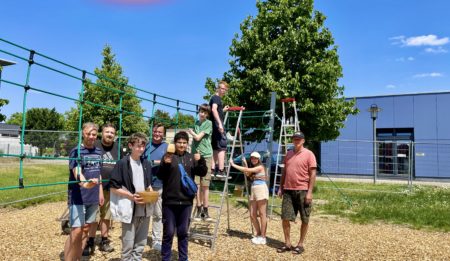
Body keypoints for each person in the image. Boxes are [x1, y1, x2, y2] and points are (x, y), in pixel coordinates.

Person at [157, 131, 207, 261]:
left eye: (184, 143)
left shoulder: (191, 157)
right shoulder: (168, 156)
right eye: (179, 142)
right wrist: (165, 164)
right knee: (168, 233)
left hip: (186, 202)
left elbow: (202, 172)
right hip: (169, 201)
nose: (182, 145)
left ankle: (183, 258)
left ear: (187, 144)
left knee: (183, 232)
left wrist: (201, 160)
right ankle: (166, 258)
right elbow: (160, 176)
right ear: (175, 143)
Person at [110, 132, 154, 260]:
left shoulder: (146, 164)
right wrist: (131, 196)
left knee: (141, 240)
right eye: (138, 146)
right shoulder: (122, 163)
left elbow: (148, 184)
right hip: (130, 206)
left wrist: (151, 193)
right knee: (128, 240)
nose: (141, 149)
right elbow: (113, 187)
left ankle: (137, 258)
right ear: (130, 145)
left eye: (143, 146)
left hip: (144, 206)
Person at [64, 122, 103, 260]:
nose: (91, 137)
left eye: (94, 134)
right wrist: (86, 184)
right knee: (76, 231)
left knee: (86, 229)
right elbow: (77, 174)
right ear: (83, 134)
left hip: (93, 196)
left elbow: (99, 173)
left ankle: (78, 257)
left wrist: (100, 192)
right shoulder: (76, 151)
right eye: (88, 134)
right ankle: (69, 258)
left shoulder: (98, 151)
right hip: (78, 196)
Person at [83, 123, 120, 256]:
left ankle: (104, 241)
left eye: (112, 133)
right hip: (94, 186)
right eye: (107, 132)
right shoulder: (95, 146)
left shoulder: (118, 148)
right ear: (102, 133)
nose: (110, 134)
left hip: (110, 187)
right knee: (93, 216)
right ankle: (90, 241)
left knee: (106, 216)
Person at [277, 132, 317, 255]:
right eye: (295, 139)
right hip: (288, 190)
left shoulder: (309, 154)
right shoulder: (288, 154)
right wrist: (280, 187)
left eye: (299, 139)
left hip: (303, 191)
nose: (297, 141)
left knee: (305, 218)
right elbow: (284, 171)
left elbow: (313, 174)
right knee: (285, 218)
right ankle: (287, 243)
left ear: (303, 140)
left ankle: (300, 244)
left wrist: (310, 192)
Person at [230, 151, 269, 245]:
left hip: (261, 189)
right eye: (252, 158)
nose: (254, 159)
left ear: (259, 159)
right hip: (254, 190)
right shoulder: (253, 168)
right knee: (252, 214)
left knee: (262, 214)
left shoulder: (260, 167)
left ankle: (263, 237)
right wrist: (246, 164)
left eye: (255, 158)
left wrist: (233, 164)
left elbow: (246, 170)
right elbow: (248, 173)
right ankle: (258, 234)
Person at [142, 123, 168, 251]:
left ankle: (156, 240)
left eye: (160, 132)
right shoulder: (146, 146)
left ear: (163, 133)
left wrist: (157, 162)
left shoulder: (166, 147)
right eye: (155, 131)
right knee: (144, 212)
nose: (157, 134)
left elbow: (170, 162)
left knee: (158, 214)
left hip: (159, 184)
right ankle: (141, 238)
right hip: (145, 184)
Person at [187, 104, 213, 222]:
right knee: (196, 184)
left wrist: (191, 132)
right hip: (196, 155)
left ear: (207, 114)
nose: (202, 114)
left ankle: (206, 210)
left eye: (204, 112)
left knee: (205, 184)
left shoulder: (208, 123)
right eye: (201, 111)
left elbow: (197, 138)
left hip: (206, 155)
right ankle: (198, 208)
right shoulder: (196, 123)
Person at [209, 80, 229, 179]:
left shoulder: (214, 98)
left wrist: (223, 110)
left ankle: (212, 169)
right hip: (217, 125)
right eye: (222, 88)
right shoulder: (216, 98)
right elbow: (213, 109)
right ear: (218, 88)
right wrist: (220, 124)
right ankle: (221, 170)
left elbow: (216, 110)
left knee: (215, 147)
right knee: (222, 147)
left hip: (214, 125)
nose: (224, 91)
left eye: (225, 89)